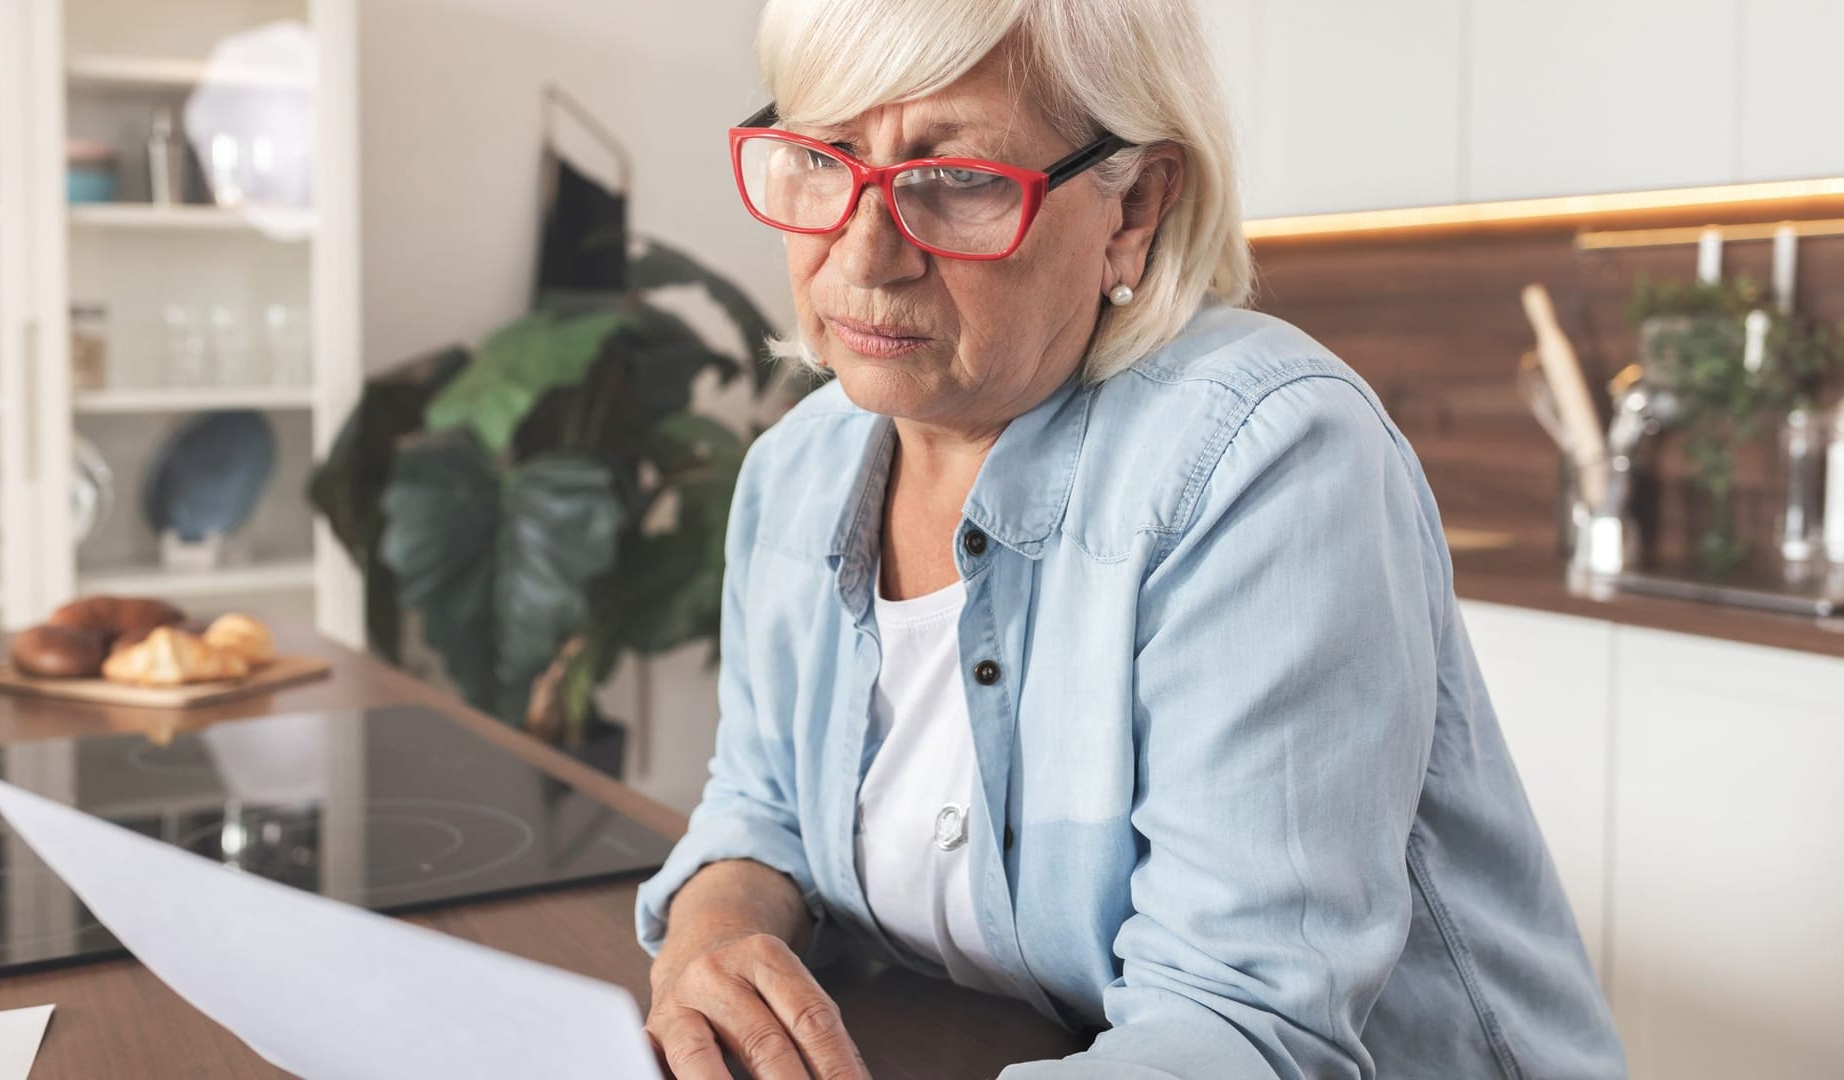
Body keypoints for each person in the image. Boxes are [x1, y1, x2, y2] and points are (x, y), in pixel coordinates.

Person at [635, 1, 1626, 1076]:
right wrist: (713, 935)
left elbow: (1239, 1027)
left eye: (958, 181)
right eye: (822, 159)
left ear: (1135, 205)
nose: (864, 258)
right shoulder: (798, 468)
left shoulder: (1264, 456)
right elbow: (760, 800)